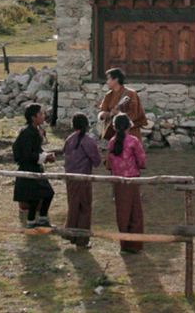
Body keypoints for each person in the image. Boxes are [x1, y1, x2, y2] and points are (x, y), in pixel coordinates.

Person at [105, 113, 147, 253]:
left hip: (118, 181)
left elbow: (109, 163)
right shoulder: (133, 141)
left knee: (122, 212)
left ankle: (124, 245)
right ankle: (135, 245)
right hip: (132, 179)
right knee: (135, 212)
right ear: (129, 126)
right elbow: (141, 160)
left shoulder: (112, 141)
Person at [13, 103, 55, 228]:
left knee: (44, 194)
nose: (43, 116)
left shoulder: (35, 130)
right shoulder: (27, 132)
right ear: (33, 117)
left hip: (35, 167)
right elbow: (27, 154)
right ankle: (33, 221)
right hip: (28, 168)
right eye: (41, 114)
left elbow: (36, 149)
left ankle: (40, 219)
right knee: (37, 196)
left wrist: (46, 155)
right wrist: (44, 157)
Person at [62, 113, 100, 247]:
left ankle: (70, 232)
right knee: (84, 207)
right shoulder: (88, 141)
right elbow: (96, 161)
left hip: (70, 177)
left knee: (73, 205)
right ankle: (82, 239)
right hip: (83, 177)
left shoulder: (69, 139)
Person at [97, 68, 148, 140]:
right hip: (114, 133)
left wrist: (119, 114)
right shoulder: (108, 95)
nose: (107, 82)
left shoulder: (131, 94)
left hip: (130, 132)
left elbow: (134, 114)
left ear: (116, 79)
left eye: (109, 79)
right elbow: (103, 112)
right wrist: (106, 114)